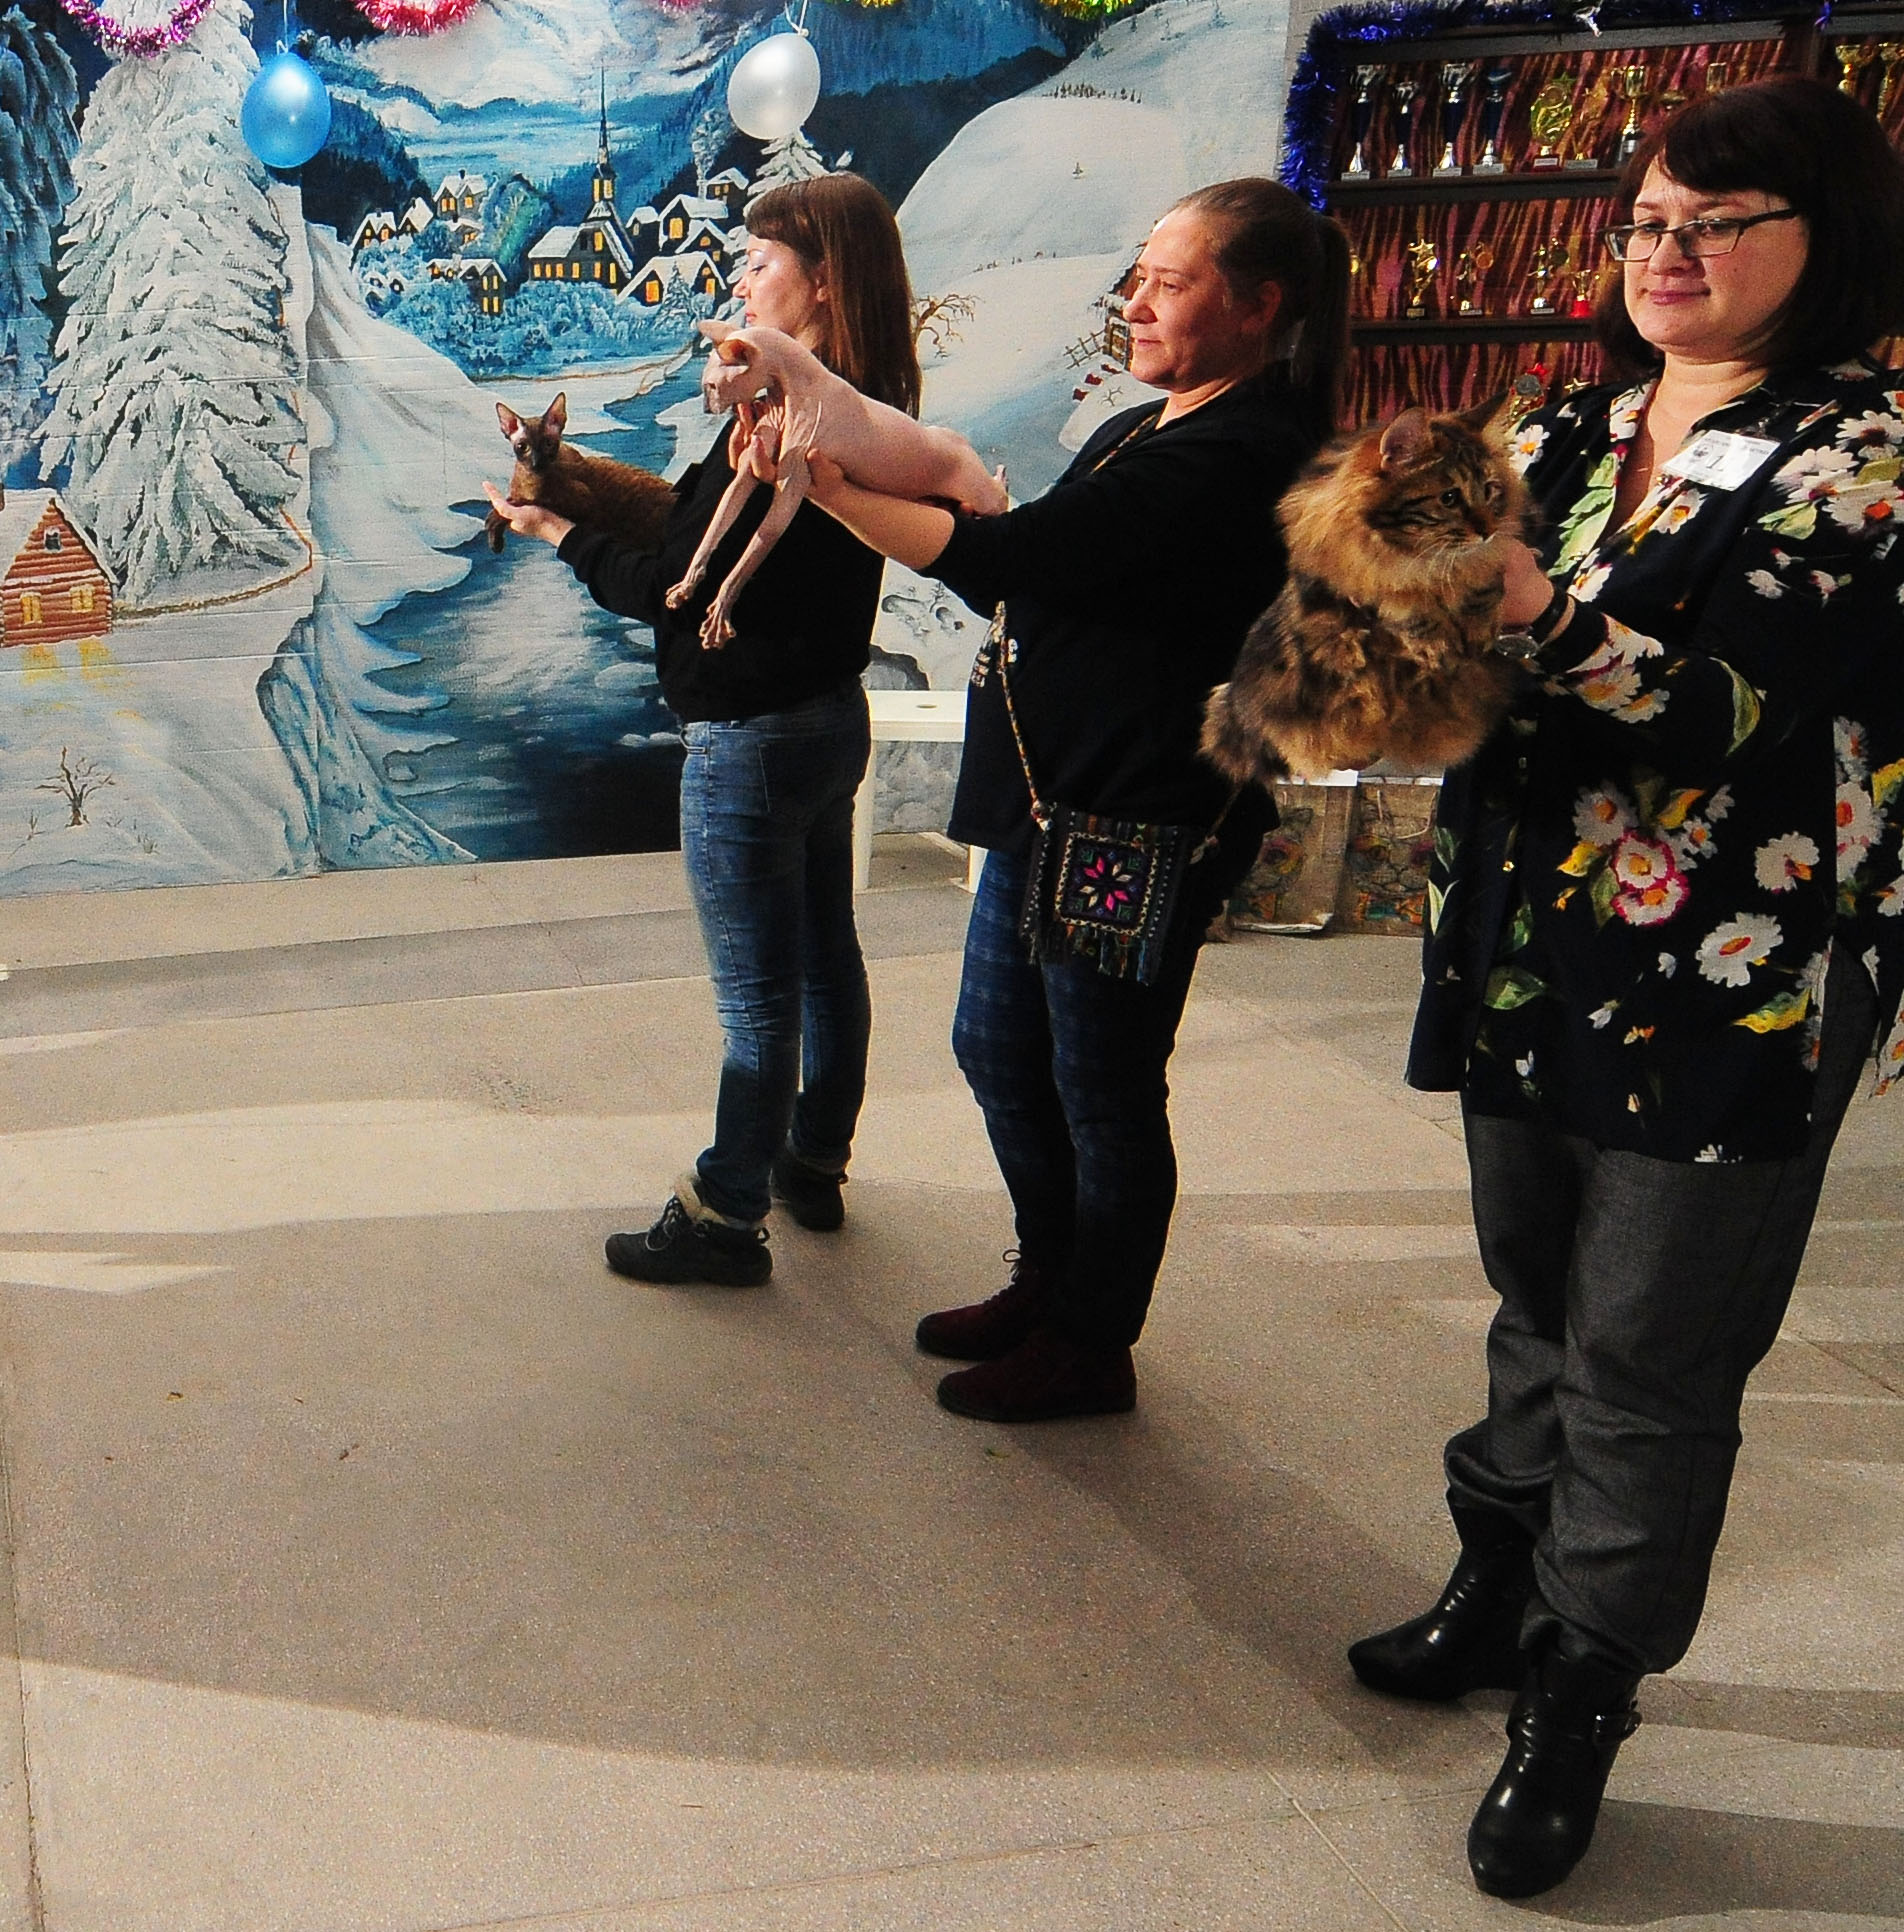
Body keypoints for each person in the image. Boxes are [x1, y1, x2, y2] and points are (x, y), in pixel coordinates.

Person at [1352, 77, 1904, 1901]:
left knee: (1650, 1352)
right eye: (1648, 221)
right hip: (1524, 929)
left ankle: (1578, 1693)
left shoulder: (1867, 452)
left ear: (1824, 238)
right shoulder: (1565, 424)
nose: (1665, 253)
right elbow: (1445, 638)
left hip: (1736, 963)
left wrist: (1528, 610)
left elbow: (1732, 712)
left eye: (1714, 223)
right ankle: (1493, 1580)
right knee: (1531, 1288)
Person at [798, 179, 1344, 1421]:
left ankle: (1093, 1340)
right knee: (1000, 1047)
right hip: (1057, 809)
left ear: (1259, 305)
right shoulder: (1150, 426)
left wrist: (830, 489)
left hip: (1135, 823)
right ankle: (1049, 1281)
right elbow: (1032, 555)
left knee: (1102, 1084)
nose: (1134, 302)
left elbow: (1017, 557)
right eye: (1138, 275)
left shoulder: (1242, 450)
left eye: (1170, 282)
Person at [485, 172, 914, 1287]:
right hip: (826, 723)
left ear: (824, 282)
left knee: (758, 999)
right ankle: (813, 1160)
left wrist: (557, 535)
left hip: (751, 743)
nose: (739, 281)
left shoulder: (779, 427)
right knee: (825, 955)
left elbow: (671, 587)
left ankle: (726, 1214)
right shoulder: (864, 407)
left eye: (760, 263)